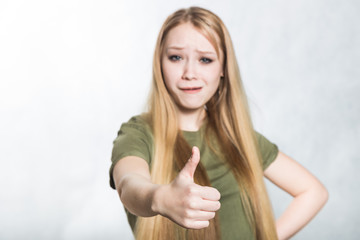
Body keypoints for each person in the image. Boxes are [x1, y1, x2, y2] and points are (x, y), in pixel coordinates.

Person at [109, 6, 328, 240]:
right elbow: (129, 184)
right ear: (159, 64)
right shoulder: (139, 133)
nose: (190, 72)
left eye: (205, 59)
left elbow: (313, 192)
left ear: (223, 68)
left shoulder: (238, 137)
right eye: (176, 57)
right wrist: (160, 198)